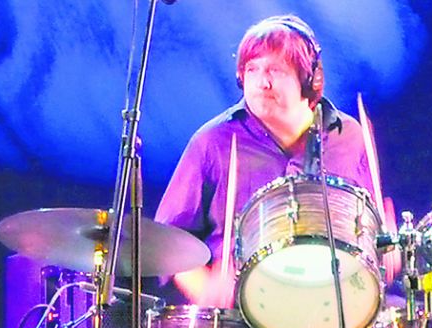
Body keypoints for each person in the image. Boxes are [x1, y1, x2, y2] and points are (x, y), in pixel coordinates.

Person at [154, 14, 380, 308]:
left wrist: (380, 242)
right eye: (252, 69)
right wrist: (204, 288)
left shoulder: (348, 136)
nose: (262, 82)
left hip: (330, 310)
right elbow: (167, 240)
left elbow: (366, 229)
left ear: (309, 79)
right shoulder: (213, 142)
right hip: (241, 316)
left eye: (276, 70)